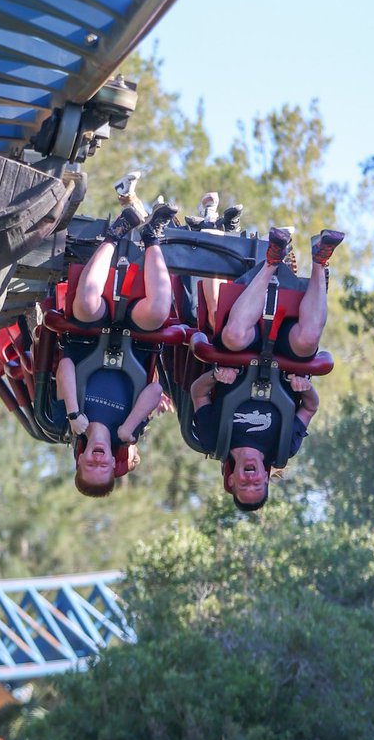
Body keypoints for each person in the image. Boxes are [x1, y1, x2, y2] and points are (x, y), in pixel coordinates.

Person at [189, 226, 343, 509]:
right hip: (286, 358)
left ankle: (272, 261)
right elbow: (309, 408)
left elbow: (197, 394)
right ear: (266, 478)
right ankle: (320, 261)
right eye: (256, 484)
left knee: (234, 335)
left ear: (231, 481)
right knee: (308, 341)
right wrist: (305, 388)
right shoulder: (284, 447)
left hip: (240, 349)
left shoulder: (213, 439)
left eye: (243, 485)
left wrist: (215, 376)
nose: (250, 479)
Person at [55, 201, 178, 496]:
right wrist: (129, 426)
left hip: (87, 334)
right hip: (135, 339)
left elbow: (66, 367)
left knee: (85, 302)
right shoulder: (129, 432)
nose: (98, 461)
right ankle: (152, 237)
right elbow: (154, 391)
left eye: (90, 466)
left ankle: (115, 233)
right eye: (104, 467)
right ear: (113, 462)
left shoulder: (66, 421)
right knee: (159, 310)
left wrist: (74, 413)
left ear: (80, 460)